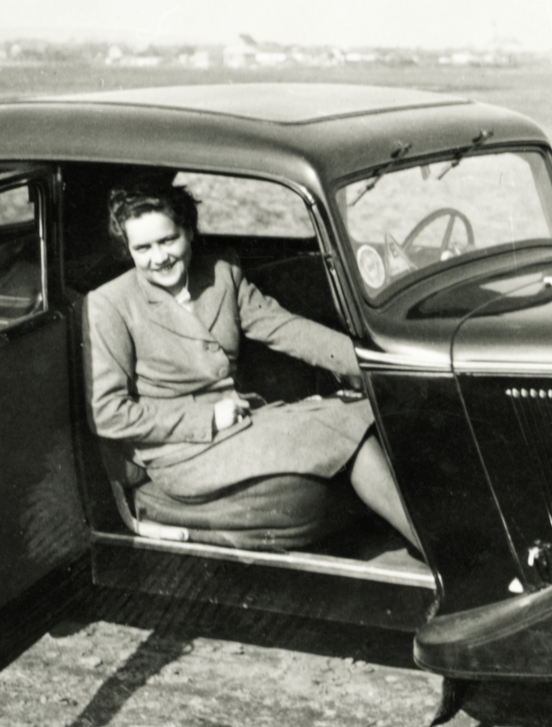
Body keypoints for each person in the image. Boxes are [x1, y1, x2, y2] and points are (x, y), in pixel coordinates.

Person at [86, 182, 420, 551]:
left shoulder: (222, 273)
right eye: (143, 248)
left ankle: (433, 544)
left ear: (190, 232)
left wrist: (373, 364)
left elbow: (284, 328)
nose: (159, 257)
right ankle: (437, 553)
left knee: (362, 412)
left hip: (243, 422)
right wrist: (208, 418)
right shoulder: (110, 304)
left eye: (168, 241)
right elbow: (108, 414)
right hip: (182, 452)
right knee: (346, 429)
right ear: (127, 249)